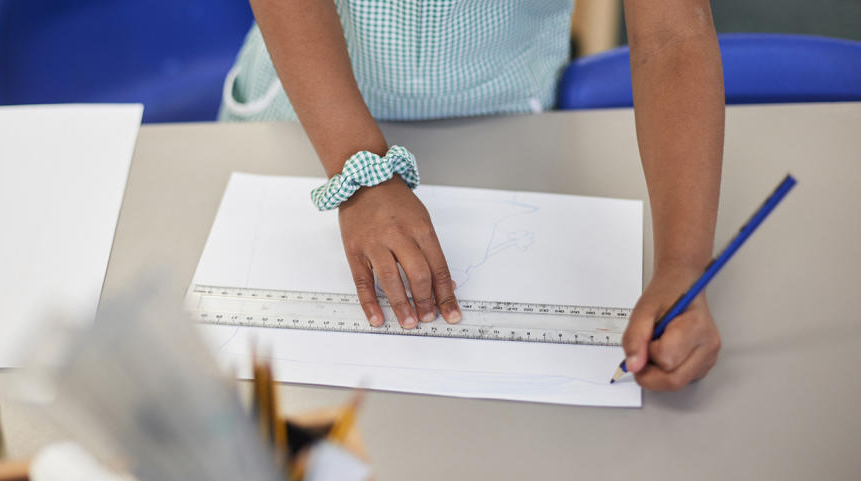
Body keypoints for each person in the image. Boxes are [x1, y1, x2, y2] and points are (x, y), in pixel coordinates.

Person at [220, 0, 723, 392]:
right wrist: (361, 168)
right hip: (307, 106)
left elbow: (672, 35)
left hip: (506, 118)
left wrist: (682, 264)